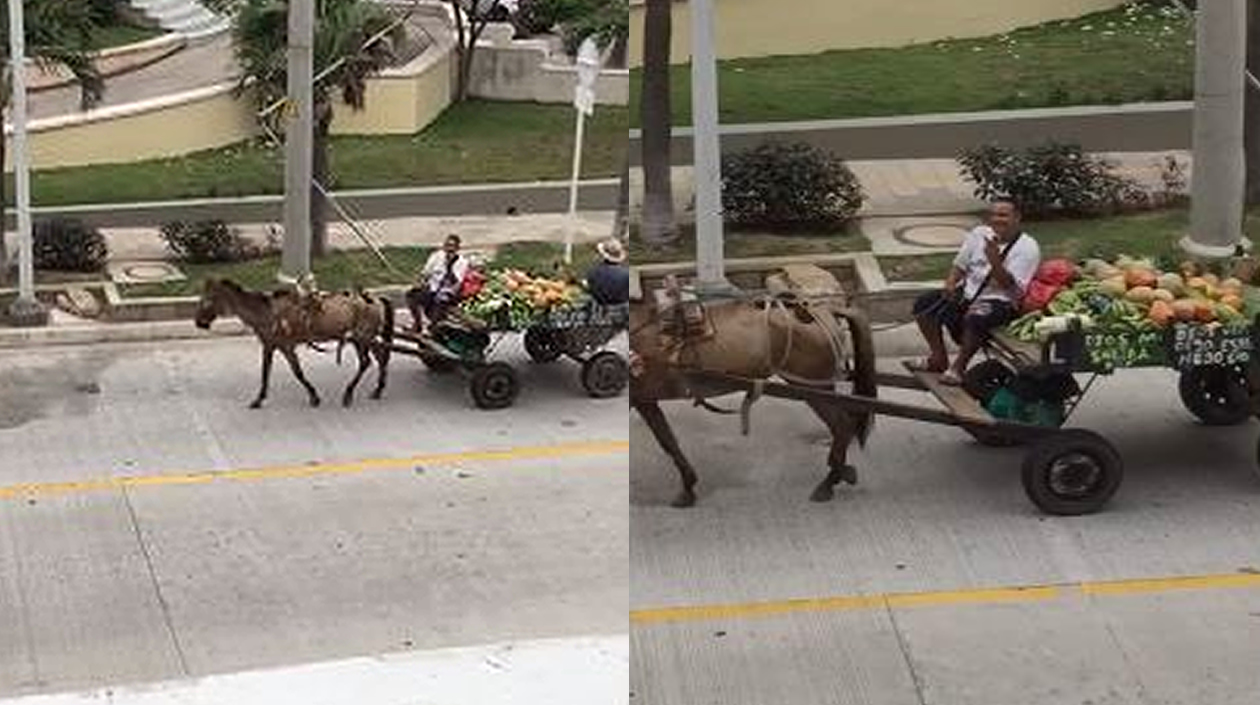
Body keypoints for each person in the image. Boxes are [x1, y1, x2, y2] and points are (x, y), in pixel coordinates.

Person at [911, 198, 1040, 385]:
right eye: (994, 215)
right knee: (924, 304)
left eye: (1003, 215)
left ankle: (958, 368)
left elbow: (1009, 286)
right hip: (969, 293)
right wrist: (950, 284)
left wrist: (994, 259)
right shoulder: (979, 233)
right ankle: (938, 358)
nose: (997, 220)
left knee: (977, 316)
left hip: (1002, 301)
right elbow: (960, 264)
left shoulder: (1027, 247)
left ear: (1017, 218)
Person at [407, 234, 469, 332]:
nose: (449, 249)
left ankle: (434, 327)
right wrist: (421, 282)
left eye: (452, 246)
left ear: (457, 248)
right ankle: (417, 323)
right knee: (411, 295)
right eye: (447, 245)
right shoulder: (436, 256)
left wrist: (449, 266)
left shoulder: (462, 262)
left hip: (445, 294)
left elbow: (457, 282)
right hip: (431, 289)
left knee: (435, 320)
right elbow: (425, 273)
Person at [586, 238, 629, 306]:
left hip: (601, 311)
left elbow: (592, 291)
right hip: (623, 312)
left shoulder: (593, 273)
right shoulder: (626, 275)